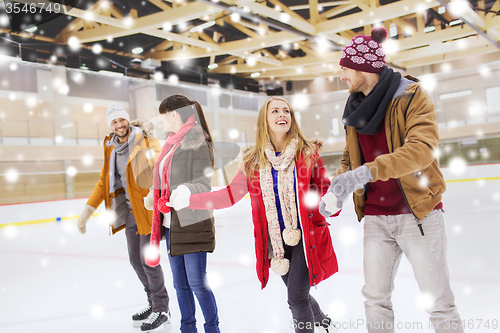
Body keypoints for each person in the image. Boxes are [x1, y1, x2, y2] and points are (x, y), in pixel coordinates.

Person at [319, 27, 464, 333]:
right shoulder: (354, 107)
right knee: (375, 299)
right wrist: (339, 188)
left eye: (345, 68)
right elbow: (351, 158)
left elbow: (421, 150)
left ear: (363, 67)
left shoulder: (412, 96)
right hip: (375, 217)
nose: (341, 75)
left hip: (417, 215)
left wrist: (366, 172)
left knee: (438, 301)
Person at [168, 97, 339, 333]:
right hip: (276, 242)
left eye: (286, 111)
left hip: (305, 238)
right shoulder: (252, 161)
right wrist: (191, 200)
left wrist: (332, 202)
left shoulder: (307, 154)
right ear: (265, 120)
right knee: (297, 291)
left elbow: (326, 192)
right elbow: (229, 195)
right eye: (276, 111)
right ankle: (319, 318)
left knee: (296, 299)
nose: (282, 114)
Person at [77, 102, 171, 332]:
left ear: (128, 120)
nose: (119, 125)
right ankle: (153, 303)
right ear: (110, 125)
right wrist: (88, 211)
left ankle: (162, 309)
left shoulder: (145, 140)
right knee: (135, 261)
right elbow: (103, 182)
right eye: (114, 122)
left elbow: (160, 165)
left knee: (148, 260)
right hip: (129, 212)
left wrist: (154, 194)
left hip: (148, 210)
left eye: (122, 120)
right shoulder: (110, 148)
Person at [144, 94, 220, 333]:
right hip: (171, 225)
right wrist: (153, 194)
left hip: (193, 223)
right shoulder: (171, 143)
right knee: (180, 285)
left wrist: (187, 190)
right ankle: (187, 329)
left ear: (173, 114)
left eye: (163, 115)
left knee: (197, 284)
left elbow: (203, 182)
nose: (161, 120)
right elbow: (165, 180)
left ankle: (212, 329)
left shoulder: (197, 141)